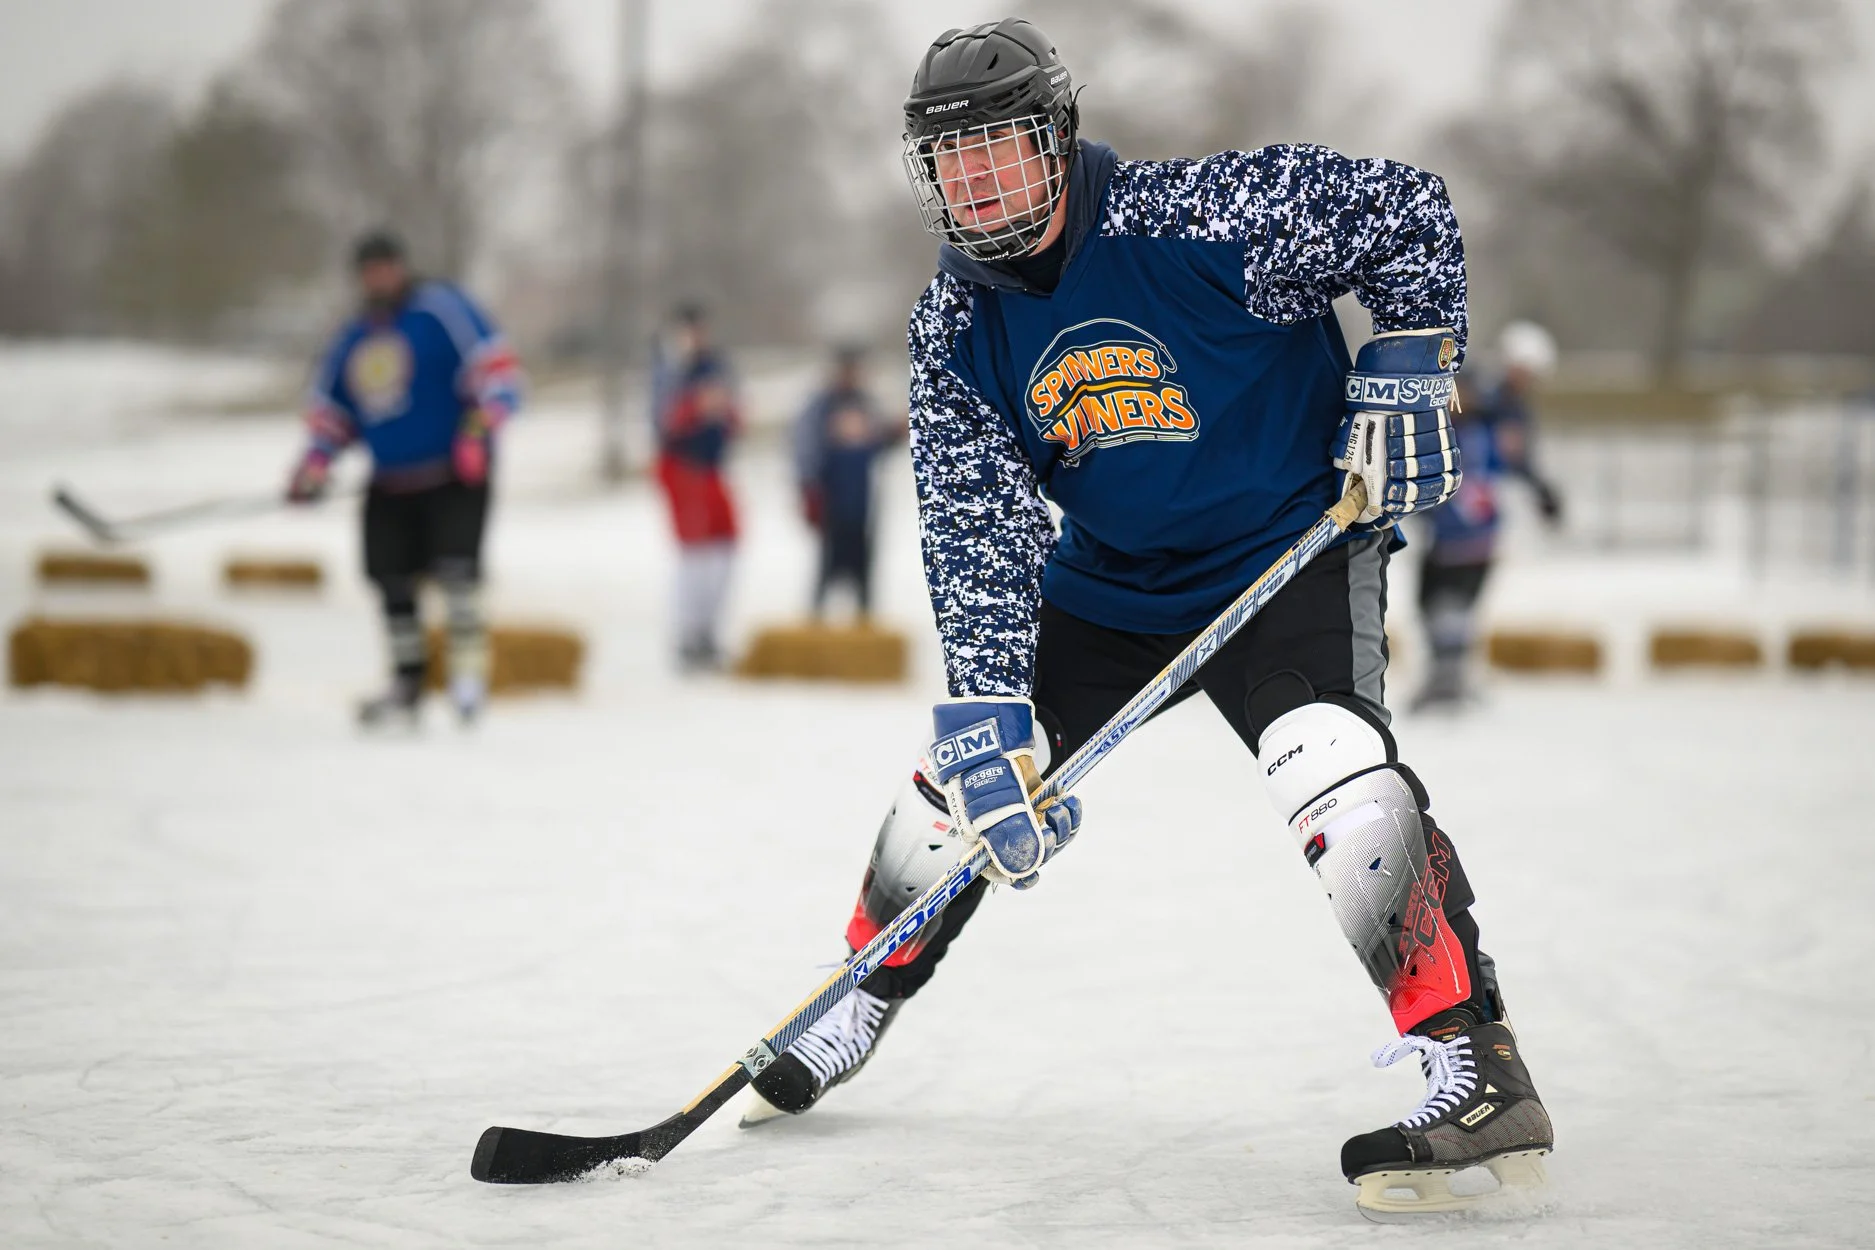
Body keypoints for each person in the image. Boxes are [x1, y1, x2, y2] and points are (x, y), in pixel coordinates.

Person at [742, 19, 1554, 1216]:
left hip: (1289, 550)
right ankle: (860, 989)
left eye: (1000, 150)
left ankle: (1473, 1062)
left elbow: (1406, 211)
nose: (978, 182)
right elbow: (975, 529)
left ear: (1058, 139)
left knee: (1325, 762)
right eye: (950, 162)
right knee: (956, 778)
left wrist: (1412, 362)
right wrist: (989, 699)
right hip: (1114, 585)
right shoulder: (953, 328)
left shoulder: (1203, 213)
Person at [286, 230, 522, 726]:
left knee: (458, 578)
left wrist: (478, 431)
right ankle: (407, 683)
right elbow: (333, 412)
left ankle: (468, 681)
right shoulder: (353, 335)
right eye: (368, 271)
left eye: (384, 267)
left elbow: (498, 375)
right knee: (390, 583)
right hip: (390, 480)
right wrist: (314, 465)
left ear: (400, 267)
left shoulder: (442, 310)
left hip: (453, 474)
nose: (377, 278)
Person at [1412, 321, 1566, 711]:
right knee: (1437, 603)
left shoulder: (1498, 417)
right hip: (1456, 520)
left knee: (1449, 602)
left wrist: (1540, 490)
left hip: (1465, 524)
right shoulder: (1480, 407)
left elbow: (1515, 460)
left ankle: (1449, 679)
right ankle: (1446, 675)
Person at [652, 304, 741, 671]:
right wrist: (695, 407)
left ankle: (707, 630)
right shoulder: (669, 370)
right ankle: (689, 635)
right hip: (682, 466)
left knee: (726, 544)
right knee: (695, 553)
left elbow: (735, 413)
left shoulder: (717, 365)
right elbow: (661, 421)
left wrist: (724, 411)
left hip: (711, 467)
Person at [793, 346, 898, 618]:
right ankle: (816, 622)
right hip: (832, 496)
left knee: (863, 563)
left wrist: (894, 433)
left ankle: (864, 622)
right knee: (828, 564)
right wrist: (808, 487)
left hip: (861, 498)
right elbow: (804, 447)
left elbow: (879, 441)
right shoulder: (821, 405)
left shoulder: (865, 402)